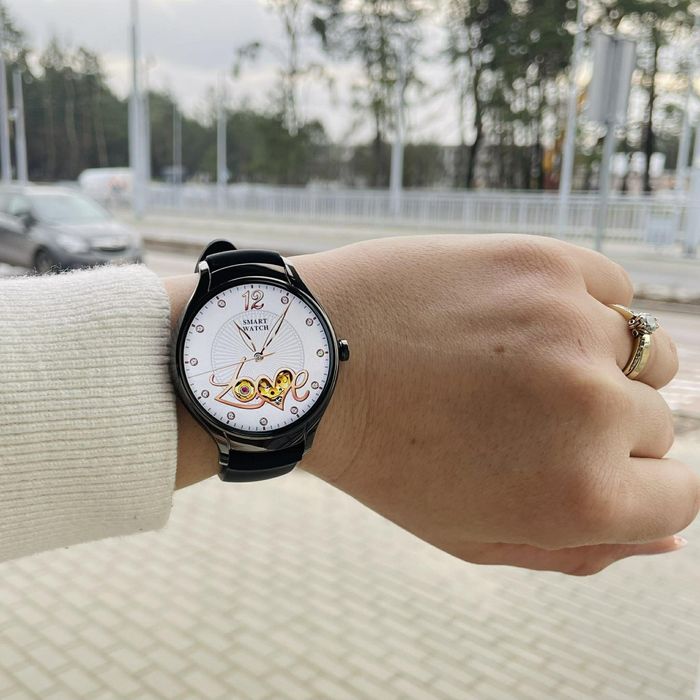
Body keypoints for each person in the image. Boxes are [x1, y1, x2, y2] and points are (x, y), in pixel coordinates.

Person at [0, 234, 697, 574]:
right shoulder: (267, 348)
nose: (258, 362)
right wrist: (363, 404)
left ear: (334, 352)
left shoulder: (302, 350)